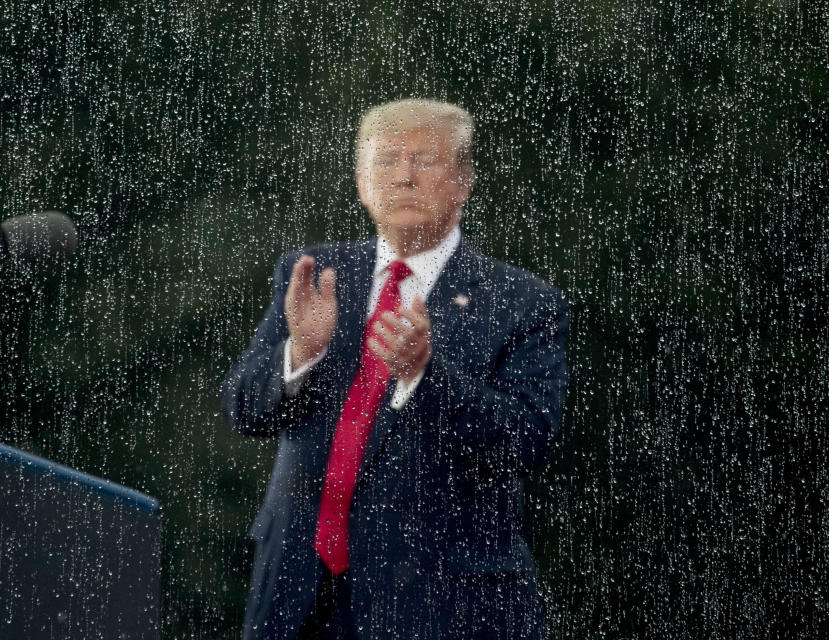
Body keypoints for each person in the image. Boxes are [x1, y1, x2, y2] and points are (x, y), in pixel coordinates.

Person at [221, 99, 569, 640]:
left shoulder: (524, 301)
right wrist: (301, 354)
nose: (404, 174)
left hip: (443, 608)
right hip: (295, 598)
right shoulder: (311, 273)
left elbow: (529, 441)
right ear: (361, 181)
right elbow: (243, 409)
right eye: (386, 160)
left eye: (424, 159)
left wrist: (423, 378)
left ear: (463, 181)